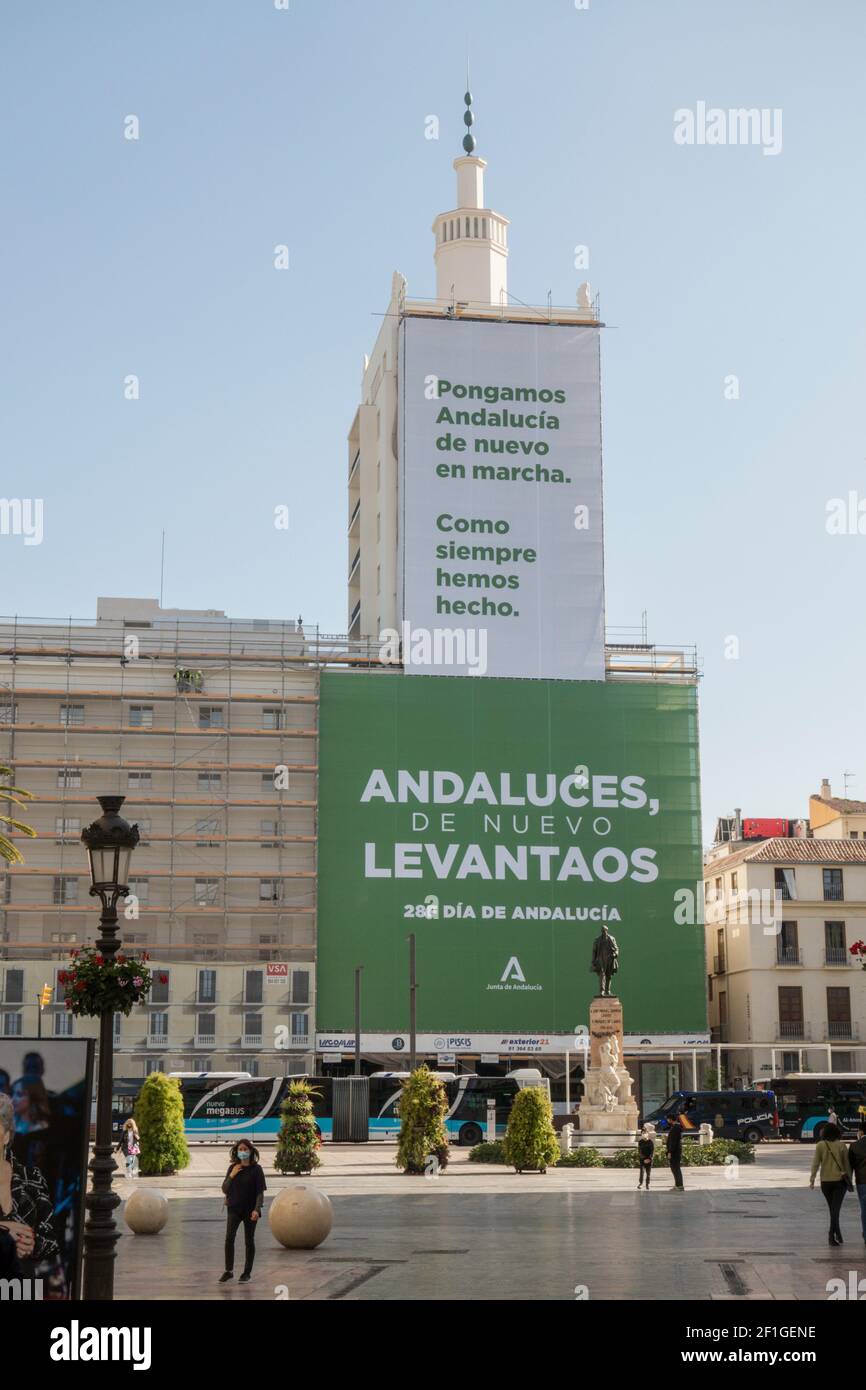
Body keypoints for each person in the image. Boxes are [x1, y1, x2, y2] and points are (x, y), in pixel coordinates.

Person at [0, 1091, 60, 1272]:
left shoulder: (31, 1177)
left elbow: (52, 1239)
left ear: (7, 1136)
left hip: (22, 1287)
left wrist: (32, 1244)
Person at [220, 1139, 266, 1284]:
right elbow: (224, 1189)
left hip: (250, 1211)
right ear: (236, 1151)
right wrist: (232, 1174)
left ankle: (247, 1273)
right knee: (229, 1239)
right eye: (240, 1149)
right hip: (233, 1209)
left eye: (245, 1149)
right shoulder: (233, 1168)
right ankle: (229, 1271)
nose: (243, 1152)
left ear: (251, 1151)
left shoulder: (256, 1169)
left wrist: (257, 1209)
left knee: (249, 1241)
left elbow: (260, 1192)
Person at [810, 1122, 853, 1245]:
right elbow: (847, 1165)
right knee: (835, 1210)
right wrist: (849, 1180)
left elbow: (815, 1163)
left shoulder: (820, 1145)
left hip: (825, 1183)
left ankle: (837, 1234)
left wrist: (812, 1179)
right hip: (840, 1183)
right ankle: (831, 1235)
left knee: (833, 1210)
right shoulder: (842, 1146)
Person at [848, 1119, 866, 1244]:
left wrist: (848, 1183)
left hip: (862, 1182)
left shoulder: (854, 1146)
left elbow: (850, 1166)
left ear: (860, 1131)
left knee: (864, 1209)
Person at [666, 1112, 684, 1191]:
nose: (667, 1121)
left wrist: (670, 1152)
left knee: (675, 1168)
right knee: (675, 1168)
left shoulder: (675, 1128)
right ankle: (677, 1185)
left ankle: (679, 1186)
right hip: (676, 1151)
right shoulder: (676, 1127)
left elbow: (673, 1141)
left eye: (668, 1119)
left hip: (674, 1152)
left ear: (670, 1119)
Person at [637, 1124, 655, 1190]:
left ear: (647, 1133)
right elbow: (639, 1151)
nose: (644, 1134)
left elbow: (652, 1151)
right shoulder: (640, 1142)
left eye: (645, 1133)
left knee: (648, 1173)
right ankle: (641, 1183)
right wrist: (644, 1158)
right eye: (642, 1133)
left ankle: (647, 1184)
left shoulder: (650, 1142)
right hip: (642, 1159)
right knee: (641, 1172)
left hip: (649, 1160)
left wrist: (649, 1158)